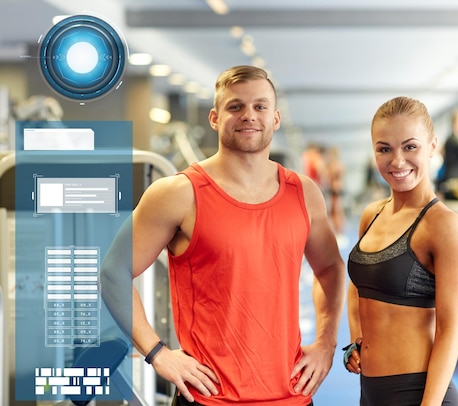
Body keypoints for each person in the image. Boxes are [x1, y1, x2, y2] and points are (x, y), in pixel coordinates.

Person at [102, 65, 346, 405]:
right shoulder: (178, 193)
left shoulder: (304, 193)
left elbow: (331, 268)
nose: (249, 115)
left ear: (275, 118)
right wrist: (157, 353)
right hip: (209, 397)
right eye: (236, 107)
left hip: (291, 394)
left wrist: (325, 344)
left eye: (260, 106)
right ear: (215, 118)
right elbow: (113, 271)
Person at [343, 97, 458, 405]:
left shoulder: (444, 227)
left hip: (419, 393)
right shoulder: (372, 214)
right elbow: (357, 287)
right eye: (384, 148)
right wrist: (354, 339)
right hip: (371, 392)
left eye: (410, 147)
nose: (397, 161)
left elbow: (449, 330)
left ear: (432, 146)